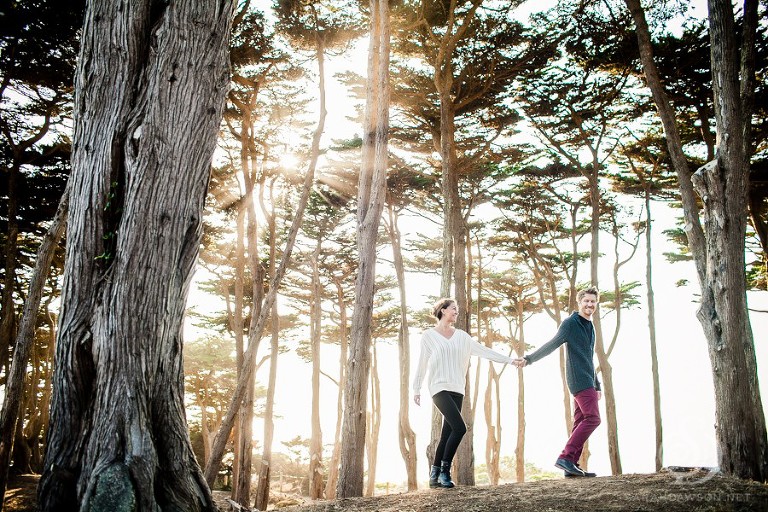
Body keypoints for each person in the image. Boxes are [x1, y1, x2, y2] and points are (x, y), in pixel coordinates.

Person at [412, 297, 516, 489]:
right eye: (453, 308)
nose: (456, 311)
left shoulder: (462, 337)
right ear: (443, 310)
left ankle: (434, 474)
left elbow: (485, 351)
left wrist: (510, 360)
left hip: (458, 389)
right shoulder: (429, 336)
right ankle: (445, 471)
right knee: (460, 428)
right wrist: (416, 387)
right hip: (439, 387)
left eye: (457, 309)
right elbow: (422, 363)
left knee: (447, 434)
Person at [513, 286, 602, 478]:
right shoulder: (571, 323)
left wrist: (598, 384)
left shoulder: (590, 326)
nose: (589, 304)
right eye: (586, 301)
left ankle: (571, 466)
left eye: (593, 301)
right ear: (579, 302)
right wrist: (529, 359)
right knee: (594, 419)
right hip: (578, 379)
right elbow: (552, 344)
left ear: (596, 303)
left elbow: (589, 357)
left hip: (588, 379)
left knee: (580, 421)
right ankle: (566, 457)